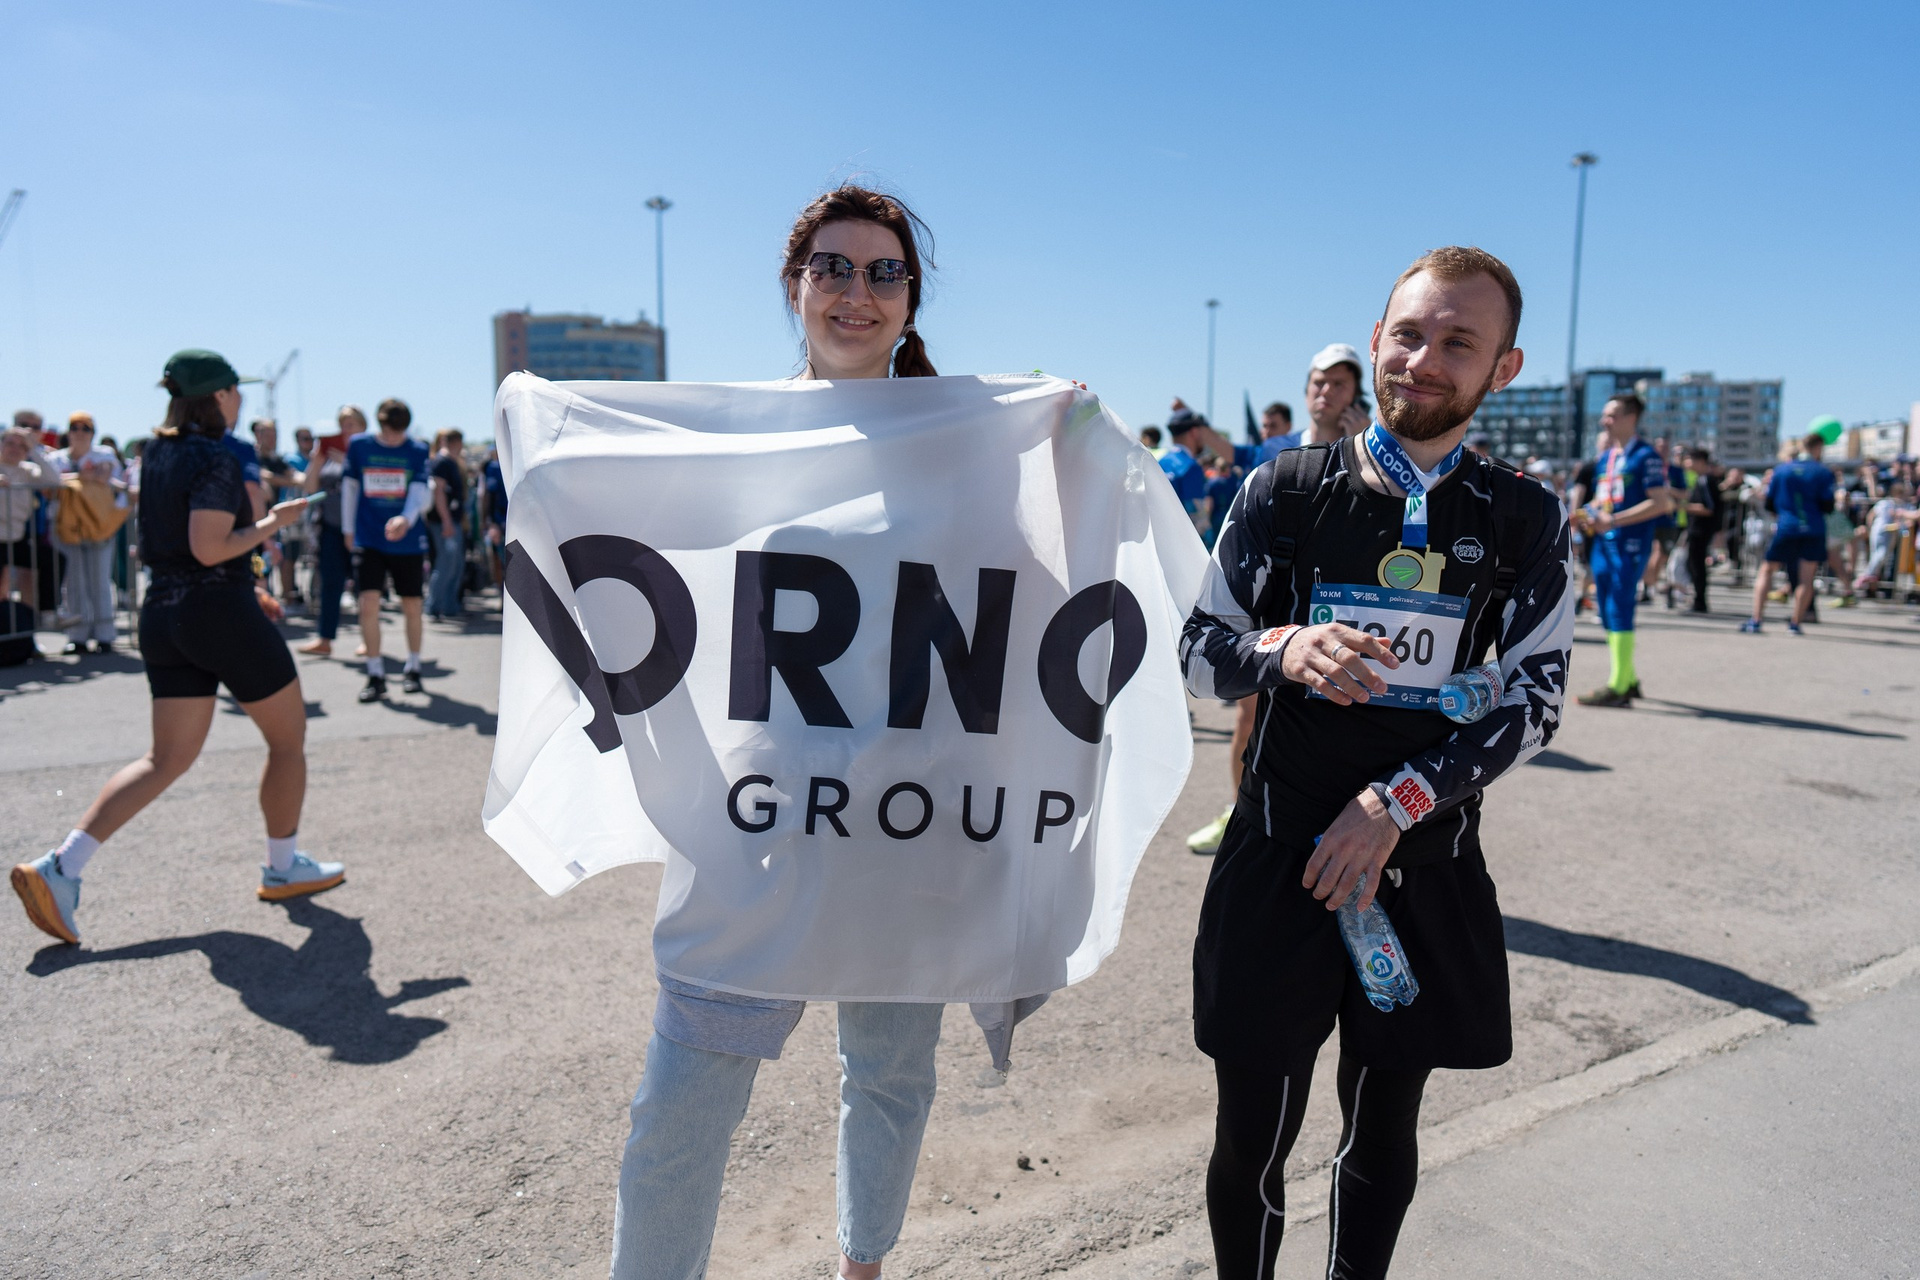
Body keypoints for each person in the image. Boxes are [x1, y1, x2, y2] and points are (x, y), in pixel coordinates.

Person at [1181, 246, 1571, 1280]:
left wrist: (1397, 800)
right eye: (1409, 334)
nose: (1424, 360)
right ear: (1376, 341)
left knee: (1382, 1128)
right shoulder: (1284, 486)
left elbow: (1536, 700)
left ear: (1504, 367)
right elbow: (1199, 650)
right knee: (1251, 1137)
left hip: (1421, 866)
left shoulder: (1523, 514)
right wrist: (1282, 647)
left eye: (1459, 342)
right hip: (1279, 861)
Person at [611, 185, 953, 1280]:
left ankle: (864, 1266)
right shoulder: (728, 437)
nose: (857, 292)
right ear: (794, 285)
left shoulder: (961, 451)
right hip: (753, 818)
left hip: (907, 817)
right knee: (679, 1109)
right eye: (833, 267)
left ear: (910, 298)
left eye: (884, 271)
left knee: (890, 1074)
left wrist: (1065, 435)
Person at [11, 350, 342, 948]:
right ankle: (282, 865)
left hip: (165, 614)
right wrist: (274, 523)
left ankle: (60, 867)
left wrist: (248, 579)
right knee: (288, 739)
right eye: (234, 391)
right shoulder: (216, 455)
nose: (239, 401)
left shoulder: (155, 453)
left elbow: (177, 543)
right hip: (218, 613)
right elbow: (210, 548)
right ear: (218, 397)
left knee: (163, 760)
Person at [1184, 348, 1363, 857]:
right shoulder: (1278, 449)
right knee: (1250, 715)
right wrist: (1193, 423)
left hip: (1344, 614)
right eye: (1319, 382)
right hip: (1273, 613)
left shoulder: (1374, 451)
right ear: (1306, 390)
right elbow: (1230, 450)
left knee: (1339, 725)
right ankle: (1237, 812)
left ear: (1357, 395)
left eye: (1339, 384)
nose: (1326, 391)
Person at [1570, 395, 1673, 705]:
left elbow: (1661, 503)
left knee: (1619, 607)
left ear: (1632, 417)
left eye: (1612, 415)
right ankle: (1628, 678)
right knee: (1605, 608)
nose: (1605, 421)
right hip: (1604, 543)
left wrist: (1614, 520)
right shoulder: (1607, 457)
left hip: (1629, 543)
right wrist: (1584, 513)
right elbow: (1603, 499)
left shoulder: (1646, 456)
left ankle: (1618, 686)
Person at [343, 398, 431, 700]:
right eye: (391, 432)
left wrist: (406, 519)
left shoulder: (417, 449)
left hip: (407, 540)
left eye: (400, 433)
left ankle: (413, 667)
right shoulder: (359, 446)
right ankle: (375, 673)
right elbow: (350, 488)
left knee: (412, 605)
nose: (395, 439)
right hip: (369, 537)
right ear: (380, 425)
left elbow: (419, 490)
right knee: (368, 604)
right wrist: (348, 530)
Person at [50, 412, 130, 655]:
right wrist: (81, 477)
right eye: (75, 428)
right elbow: (51, 482)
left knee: (99, 581)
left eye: (85, 428)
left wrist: (82, 478)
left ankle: (105, 635)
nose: (80, 433)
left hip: (99, 526)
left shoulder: (103, 454)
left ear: (93, 433)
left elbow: (108, 475)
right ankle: (78, 636)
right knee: (74, 583)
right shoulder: (57, 458)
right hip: (68, 528)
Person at [1742, 432, 1835, 635]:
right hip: (1813, 528)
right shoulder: (1822, 471)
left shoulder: (1782, 470)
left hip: (1787, 527)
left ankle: (1756, 620)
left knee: (1767, 570)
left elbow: (1770, 503)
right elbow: (1828, 505)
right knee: (1806, 578)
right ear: (1818, 447)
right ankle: (1795, 623)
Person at [297, 406, 366, 657]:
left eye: (351, 424)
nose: (345, 430)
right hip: (330, 528)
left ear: (363, 427)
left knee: (364, 586)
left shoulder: (366, 451)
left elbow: (370, 487)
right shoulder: (328, 454)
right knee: (330, 583)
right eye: (342, 424)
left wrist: (347, 463)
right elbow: (309, 487)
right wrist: (317, 459)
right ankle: (324, 639)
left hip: (360, 529)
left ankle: (368, 638)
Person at [1, 426, 60, 605]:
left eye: (22, 446)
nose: (15, 449)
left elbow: (54, 480)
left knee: (53, 560)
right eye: (10, 443)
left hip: (16, 538)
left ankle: (46, 610)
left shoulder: (28, 470)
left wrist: (34, 448)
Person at [426, 428, 468, 620]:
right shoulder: (441, 462)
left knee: (455, 564)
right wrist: (446, 521)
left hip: (451, 521)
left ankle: (450, 607)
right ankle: (435, 606)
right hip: (444, 522)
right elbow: (439, 493)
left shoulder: (450, 462)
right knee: (446, 564)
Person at [1683, 446, 1724, 614]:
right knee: (1693, 564)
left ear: (1700, 461)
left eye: (1689, 459)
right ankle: (1697, 599)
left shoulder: (1706, 480)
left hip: (1701, 530)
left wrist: (1681, 507)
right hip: (1698, 529)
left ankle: (1699, 601)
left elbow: (1709, 508)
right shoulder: (1702, 479)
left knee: (1697, 565)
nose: (1686, 463)